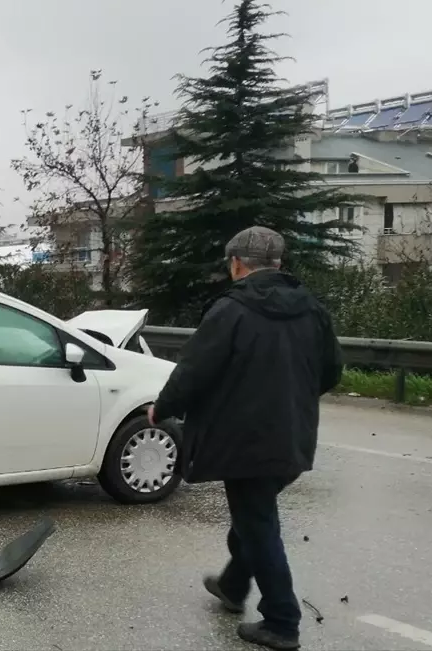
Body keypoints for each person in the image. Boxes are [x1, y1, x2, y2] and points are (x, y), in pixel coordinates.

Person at [147, 226, 343, 651]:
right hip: (293, 436)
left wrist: (162, 408)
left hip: (244, 440)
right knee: (255, 516)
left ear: (236, 263)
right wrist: (293, 402)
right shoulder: (312, 309)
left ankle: (282, 621)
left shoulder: (231, 310)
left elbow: (194, 370)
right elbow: (331, 372)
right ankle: (234, 585)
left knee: (257, 524)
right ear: (278, 263)